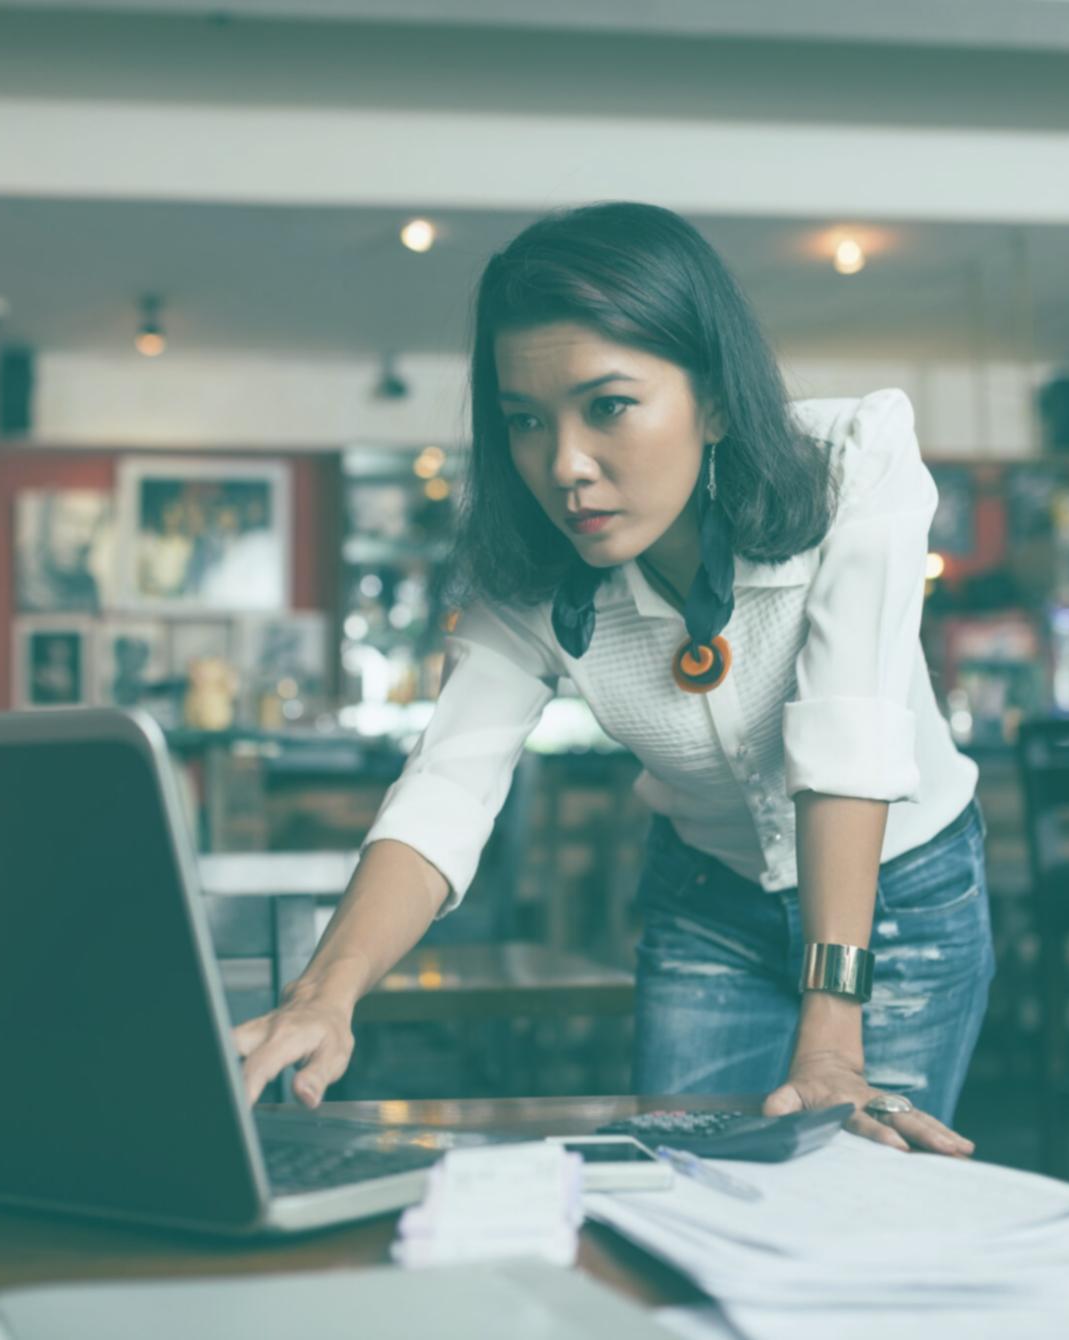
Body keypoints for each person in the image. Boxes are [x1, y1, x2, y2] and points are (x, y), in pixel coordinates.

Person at [234, 203, 992, 1156]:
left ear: (713, 397)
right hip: (707, 902)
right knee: (688, 1188)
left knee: (866, 1205)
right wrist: (324, 993)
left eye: (608, 406)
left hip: (896, 896)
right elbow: (446, 786)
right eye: (523, 421)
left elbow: (849, 731)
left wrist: (832, 1030)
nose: (563, 467)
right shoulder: (525, 569)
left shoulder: (851, 464)